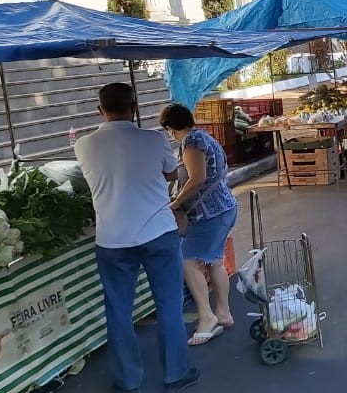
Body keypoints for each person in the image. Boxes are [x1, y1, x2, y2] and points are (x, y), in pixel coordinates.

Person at [76, 83, 199, 393]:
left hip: (112, 239)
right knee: (169, 305)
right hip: (158, 233)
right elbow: (172, 174)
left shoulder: (83, 145)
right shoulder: (154, 140)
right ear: (134, 107)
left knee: (118, 312)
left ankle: (128, 381)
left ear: (100, 109)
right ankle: (176, 374)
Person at [159, 104, 238, 347]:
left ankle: (207, 317)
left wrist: (176, 202)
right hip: (224, 208)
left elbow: (197, 179)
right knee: (214, 261)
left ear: (170, 128)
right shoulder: (204, 136)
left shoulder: (192, 142)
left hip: (210, 214)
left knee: (188, 262)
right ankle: (223, 313)